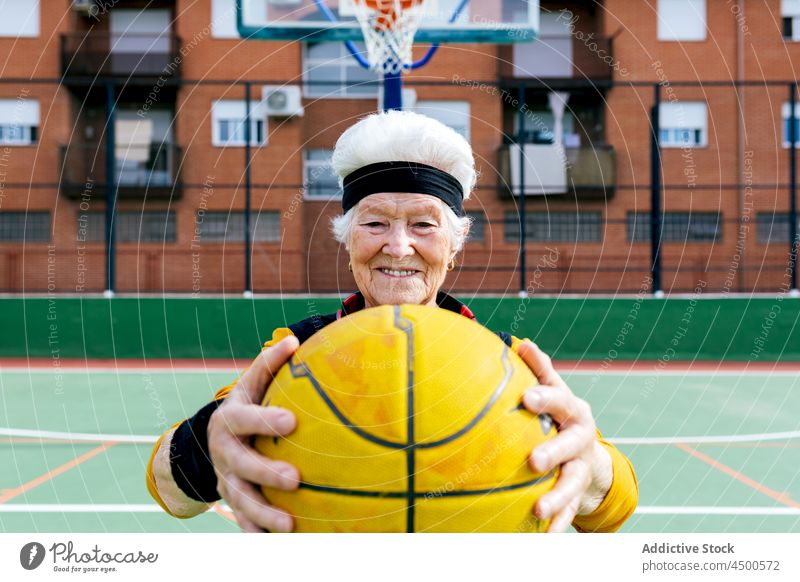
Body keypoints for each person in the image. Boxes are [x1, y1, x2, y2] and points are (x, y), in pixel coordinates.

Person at [146, 110, 638, 533]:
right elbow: (167, 489)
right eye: (375, 222)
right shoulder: (297, 355)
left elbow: (615, 509)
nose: (398, 246)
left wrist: (587, 461)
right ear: (347, 237)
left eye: (424, 224)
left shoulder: (507, 363)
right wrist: (210, 441)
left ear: (455, 242)